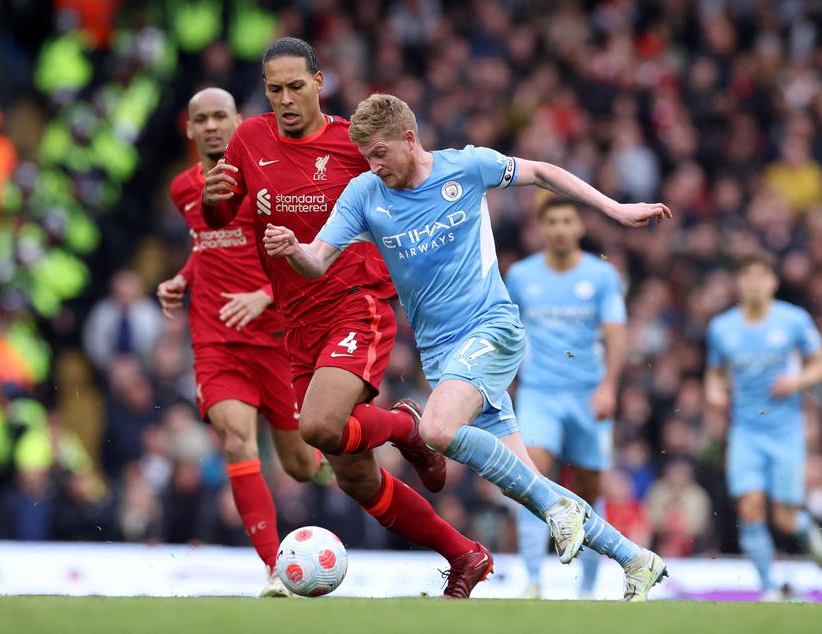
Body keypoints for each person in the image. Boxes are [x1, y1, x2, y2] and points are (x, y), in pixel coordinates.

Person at [265, 93, 671, 601]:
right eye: (366, 156)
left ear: (409, 140)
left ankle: (559, 509)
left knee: (436, 429)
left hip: (492, 329)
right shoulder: (365, 194)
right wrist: (293, 250)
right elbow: (317, 260)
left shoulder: (469, 166)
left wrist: (614, 208)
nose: (373, 165)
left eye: (380, 153)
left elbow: (543, 172)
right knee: (523, 483)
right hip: (443, 357)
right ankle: (636, 560)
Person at [199, 39, 492, 599]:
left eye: (295, 86)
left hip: (356, 303)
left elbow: (415, 181)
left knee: (318, 429)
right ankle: (464, 554)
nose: (285, 99)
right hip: (297, 322)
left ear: (318, 81)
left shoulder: (352, 145)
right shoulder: (248, 139)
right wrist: (215, 197)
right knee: (356, 477)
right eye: (274, 89)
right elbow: (223, 213)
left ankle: (407, 426)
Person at [156, 87, 330, 598]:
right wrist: (185, 278)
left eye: (220, 117)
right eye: (201, 119)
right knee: (236, 437)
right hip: (216, 340)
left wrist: (262, 296)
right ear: (189, 129)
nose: (211, 126)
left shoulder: (270, 182)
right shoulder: (183, 188)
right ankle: (276, 568)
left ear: (238, 122)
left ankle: (334, 458)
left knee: (301, 466)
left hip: (277, 339)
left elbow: (306, 255)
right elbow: (206, 244)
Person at [507, 197, 626, 599]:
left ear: (579, 228)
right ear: (541, 229)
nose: (559, 228)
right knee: (530, 479)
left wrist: (609, 385)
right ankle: (533, 580)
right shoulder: (522, 276)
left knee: (589, 492)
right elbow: (507, 332)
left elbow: (616, 334)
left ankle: (588, 588)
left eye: (567, 221)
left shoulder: (601, 276)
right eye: (552, 221)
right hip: (539, 393)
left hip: (588, 397)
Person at [705, 253, 822, 601]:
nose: (755, 283)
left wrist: (796, 380)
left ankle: (806, 529)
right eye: (748, 276)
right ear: (739, 283)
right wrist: (715, 393)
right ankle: (768, 588)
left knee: (784, 518)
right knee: (749, 507)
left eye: (762, 277)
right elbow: (714, 375)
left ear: (773, 283)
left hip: (785, 433)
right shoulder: (722, 328)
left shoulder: (793, 320)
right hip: (745, 433)